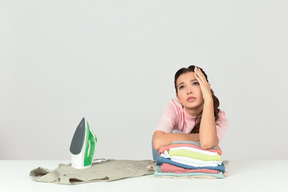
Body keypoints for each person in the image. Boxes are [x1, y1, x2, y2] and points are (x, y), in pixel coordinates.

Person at [152, 65, 228, 160]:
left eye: (195, 84)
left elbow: (206, 143)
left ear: (206, 88)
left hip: (197, 162)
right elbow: (158, 141)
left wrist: (208, 98)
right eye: (182, 87)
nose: (189, 91)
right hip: (169, 159)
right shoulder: (173, 106)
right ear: (178, 98)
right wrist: (199, 137)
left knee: (209, 146)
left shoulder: (220, 117)